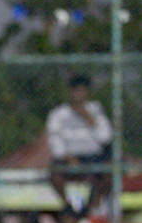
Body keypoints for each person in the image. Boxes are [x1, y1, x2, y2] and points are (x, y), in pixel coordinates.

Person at [46, 75, 111, 214]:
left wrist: (88, 118)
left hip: (93, 156)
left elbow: (106, 138)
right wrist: (67, 157)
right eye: (76, 91)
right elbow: (55, 141)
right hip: (69, 157)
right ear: (70, 92)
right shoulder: (58, 114)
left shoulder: (96, 110)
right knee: (54, 173)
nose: (79, 94)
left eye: (82, 90)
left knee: (110, 170)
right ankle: (68, 207)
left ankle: (94, 206)